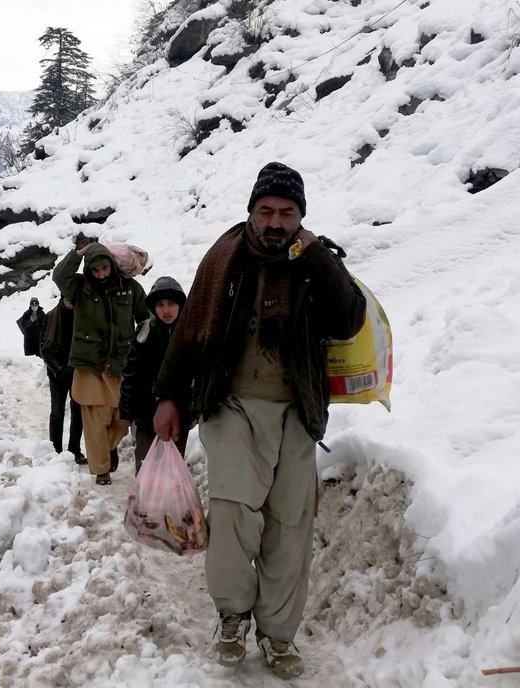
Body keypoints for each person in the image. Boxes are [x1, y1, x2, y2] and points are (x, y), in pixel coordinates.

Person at [152, 162, 367, 679]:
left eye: (287, 213)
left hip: (297, 411)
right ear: (251, 211)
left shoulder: (316, 261)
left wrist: (318, 256)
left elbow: (348, 319)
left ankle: (277, 633)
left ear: (301, 218)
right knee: (232, 516)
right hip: (232, 406)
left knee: (289, 526)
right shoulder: (224, 259)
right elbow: (189, 334)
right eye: (266, 210)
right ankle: (231, 615)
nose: (275, 221)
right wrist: (168, 396)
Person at [53, 239, 149, 485]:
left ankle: (108, 448)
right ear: (88, 270)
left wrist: (145, 344)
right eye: (95, 270)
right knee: (96, 420)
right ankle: (101, 470)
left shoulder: (130, 288)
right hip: (90, 365)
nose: (101, 274)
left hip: (121, 363)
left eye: (104, 269)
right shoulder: (79, 288)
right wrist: (78, 253)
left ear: (111, 266)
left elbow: (146, 317)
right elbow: (60, 275)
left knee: (122, 416)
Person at [119, 276, 189, 474]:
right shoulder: (145, 332)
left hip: (179, 417)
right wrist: (126, 411)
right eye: (160, 304)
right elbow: (130, 373)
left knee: (172, 468)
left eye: (171, 303)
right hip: (146, 416)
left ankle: (168, 504)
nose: (166, 310)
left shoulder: (189, 334)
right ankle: (145, 504)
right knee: (146, 467)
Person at [40, 297, 86, 464]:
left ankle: (75, 450)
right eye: (67, 298)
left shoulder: (83, 316)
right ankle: (55, 451)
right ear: (62, 298)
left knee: (78, 411)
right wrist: (59, 369)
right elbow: (44, 348)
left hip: (78, 372)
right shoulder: (51, 316)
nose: (71, 301)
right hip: (57, 373)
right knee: (57, 412)